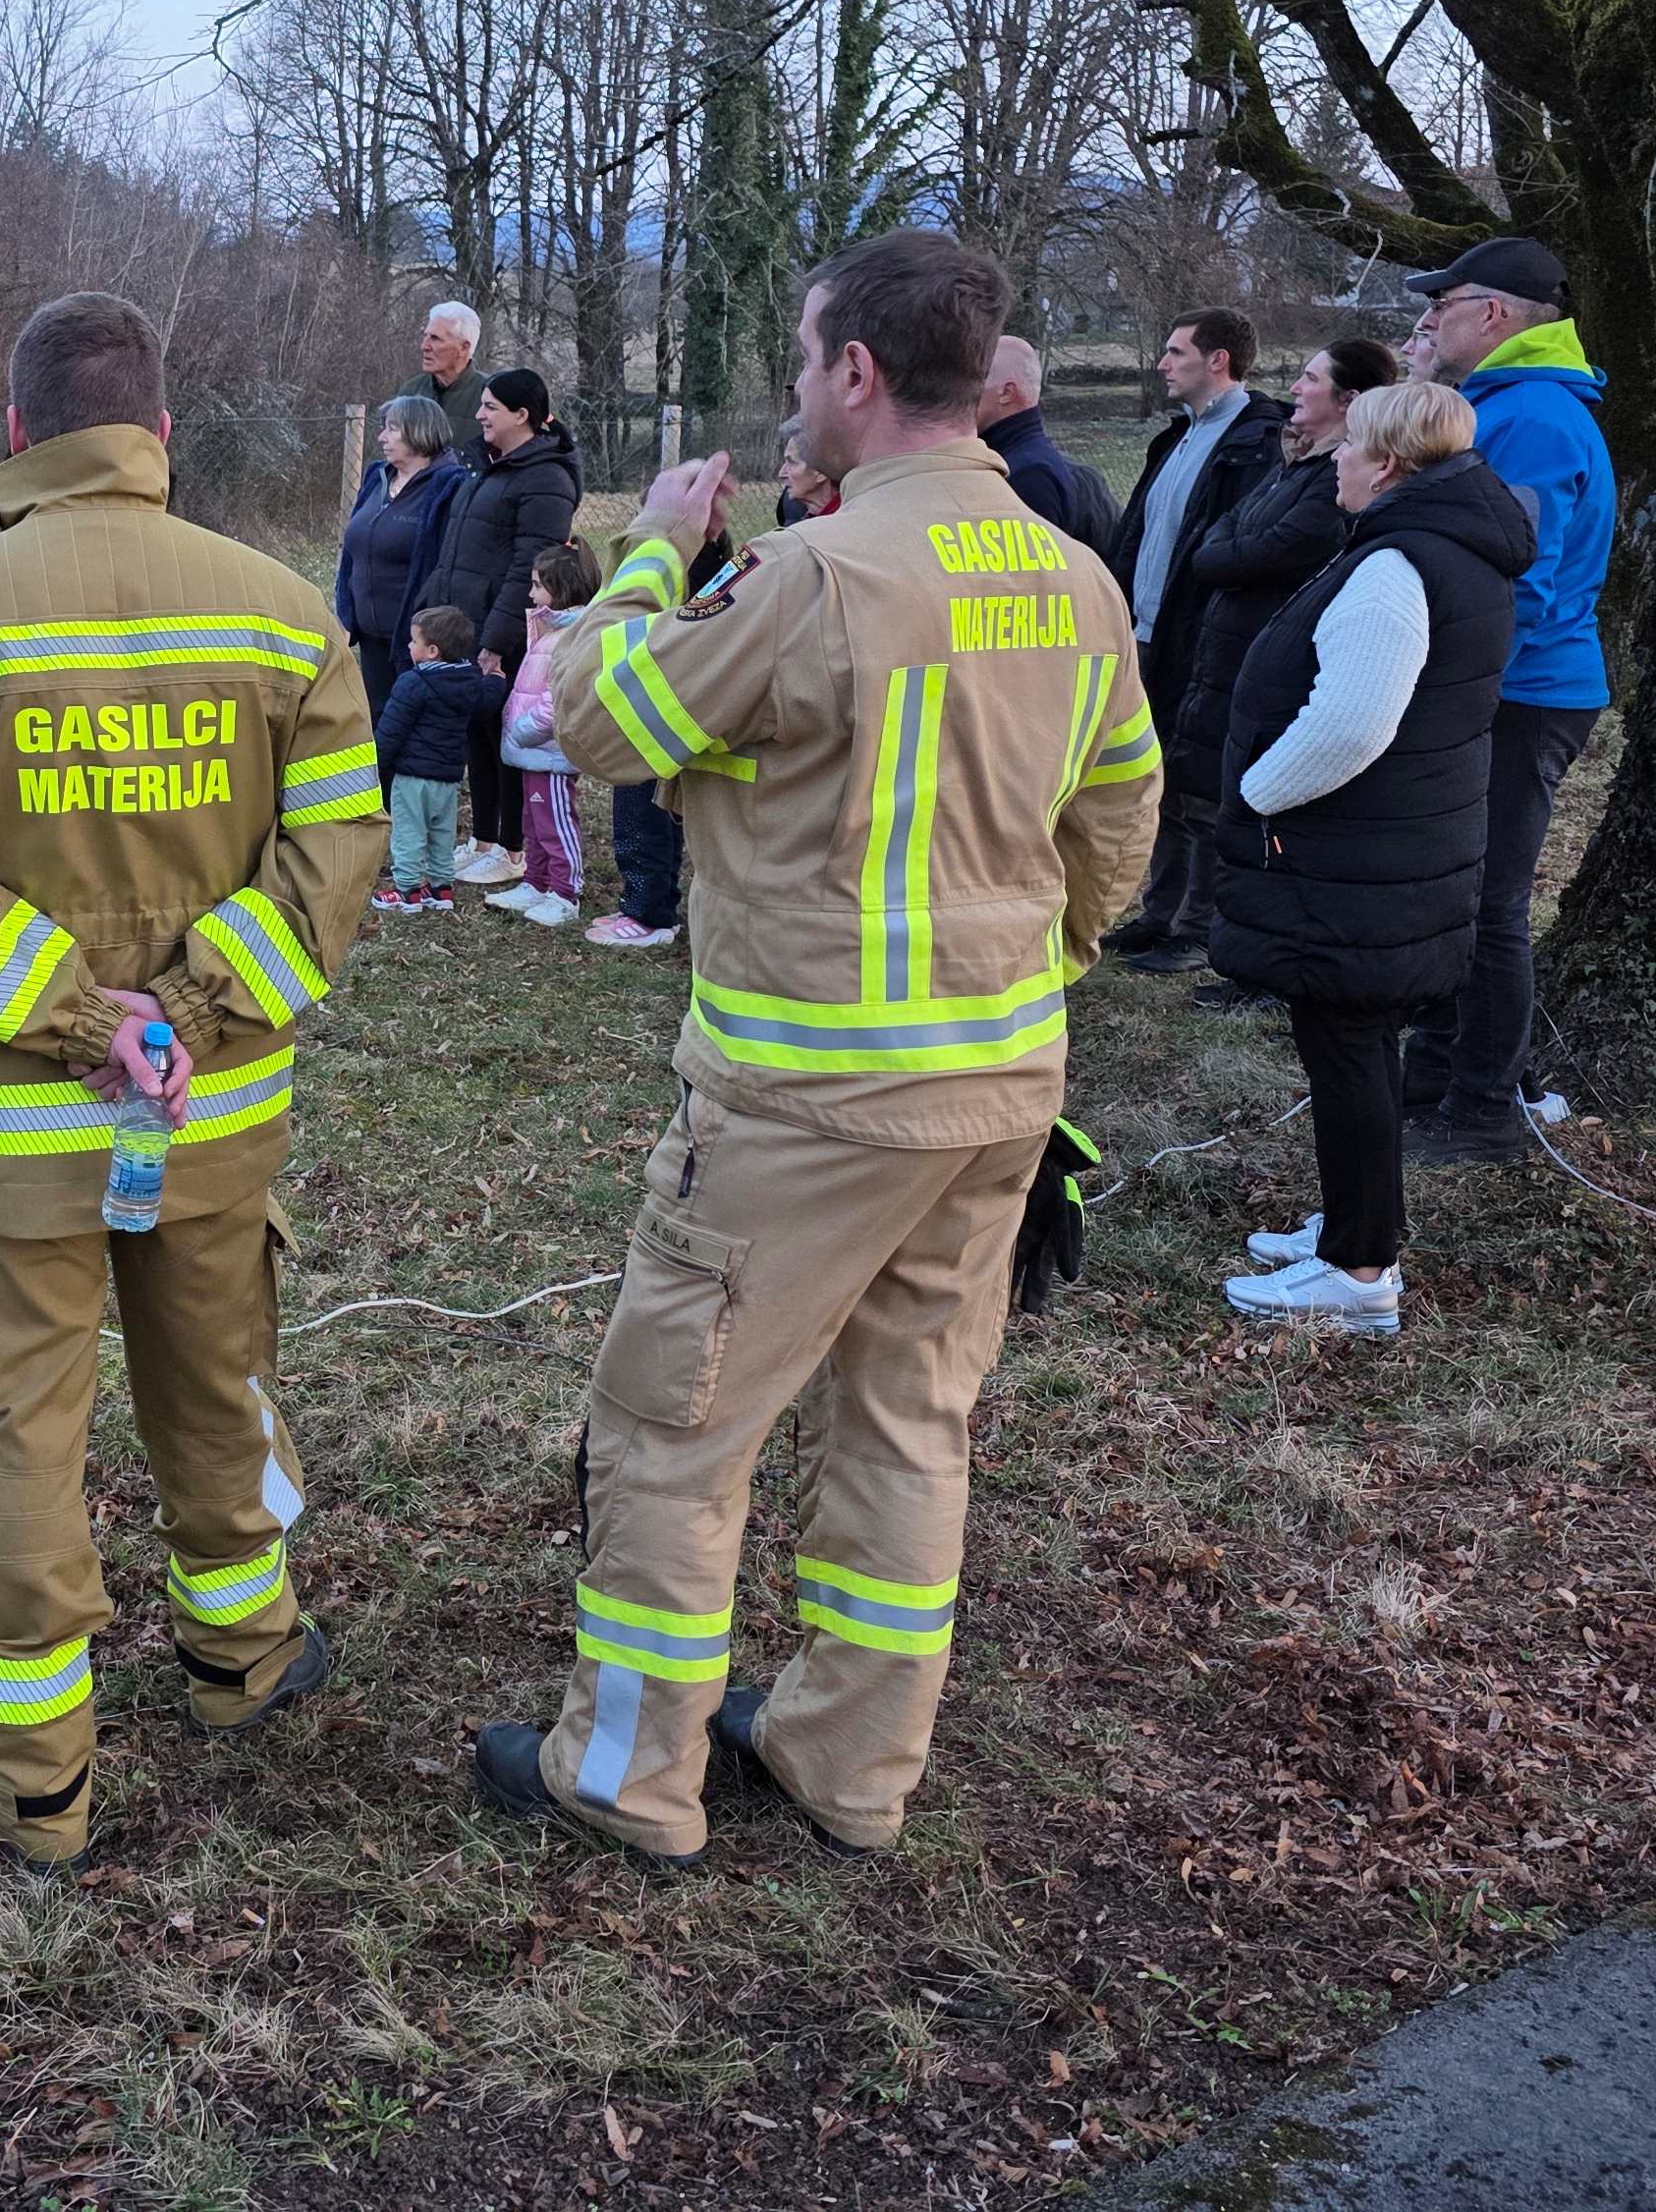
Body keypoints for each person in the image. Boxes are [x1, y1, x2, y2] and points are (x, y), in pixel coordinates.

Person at [469, 229, 1159, 1869]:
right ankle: (851, 1765)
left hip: (801, 1108)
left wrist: (652, 550)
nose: (796, 387)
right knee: (914, 1422)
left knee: (673, 1429)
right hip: (997, 1096)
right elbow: (1120, 819)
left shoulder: (815, 577)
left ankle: (625, 1778)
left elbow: (592, 719)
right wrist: (1032, 975)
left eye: (803, 360)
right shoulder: (1076, 578)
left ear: (857, 370)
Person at [0, 291, 383, 1869]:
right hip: (212, 1117)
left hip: (21, 1133)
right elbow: (338, 852)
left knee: (25, 1431)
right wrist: (186, 1015)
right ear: (159, 433)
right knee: (220, 1382)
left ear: (17, 432)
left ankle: (31, 1777)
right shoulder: (284, 615)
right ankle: (246, 1656)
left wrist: (81, 1019)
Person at [1211, 383, 1535, 1338]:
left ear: (1387, 463)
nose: (1335, 459)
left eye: (1349, 444)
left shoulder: (1397, 565)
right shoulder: (1450, 549)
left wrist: (1255, 793)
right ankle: (1359, 1224)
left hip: (1362, 860)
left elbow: (1350, 724)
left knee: (1347, 1044)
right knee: (1359, 1045)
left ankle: (1357, 1272)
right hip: (1396, 853)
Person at [1396, 237, 1617, 1163]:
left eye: (1441, 304)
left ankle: (1484, 1110)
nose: (1427, 321)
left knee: (1488, 906)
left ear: (1492, 313)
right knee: (1460, 896)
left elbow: (1519, 581)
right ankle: (1435, 1077)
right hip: (1507, 687)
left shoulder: (1528, 416)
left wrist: (1448, 696)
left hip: (1521, 694)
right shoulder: (1509, 404)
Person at [1171, 339, 1403, 1014]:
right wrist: (1225, 552)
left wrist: (1226, 555)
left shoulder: (1336, 485)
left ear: (1350, 400)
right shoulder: (1290, 465)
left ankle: (1267, 976)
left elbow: (1267, 550)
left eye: (1309, 378)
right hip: (1232, 662)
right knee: (1222, 814)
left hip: (1283, 677)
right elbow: (1217, 538)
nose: (1294, 388)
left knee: (1271, 828)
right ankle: (1228, 952)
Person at [1102, 308, 1289, 973]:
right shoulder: (1176, 437)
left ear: (1218, 360)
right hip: (1149, 635)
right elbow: (1140, 534)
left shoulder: (1259, 443)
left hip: (1208, 643)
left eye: (1176, 352)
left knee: (1203, 786)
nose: (1162, 363)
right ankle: (1159, 914)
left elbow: (1242, 547)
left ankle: (1198, 928)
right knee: (1162, 779)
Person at [595, 422, 820, 952]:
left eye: (793, 460)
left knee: (644, 793)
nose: (782, 471)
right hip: (690, 681)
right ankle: (647, 903)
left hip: (681, 685)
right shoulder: (781, 529)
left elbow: (612, 654)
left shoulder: (767, 548)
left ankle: (649, 909)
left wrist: (653, 541)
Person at [433, 368, 582, 885]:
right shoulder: (487, 466)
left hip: (508, 634)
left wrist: (496, 641)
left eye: (491, 407)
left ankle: (513, 848)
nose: (479, 415)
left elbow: (527, 569)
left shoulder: (547, 479)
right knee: (477, 733)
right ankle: (484, 839)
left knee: (506, 738)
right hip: (466, 625)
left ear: (522, 415)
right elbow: (458, 549)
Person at [332, 392, 468, 736]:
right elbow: (351, 551)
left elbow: (444, 565)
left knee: (413, 736)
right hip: (370, 638)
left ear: (419, 432)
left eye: (392, 429)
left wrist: (425, 631)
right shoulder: (376, 477)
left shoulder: (449, 486)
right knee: (377, 729)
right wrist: (346, 614)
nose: (382, 437)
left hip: (419, 644)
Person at [489, 540, 600, 928]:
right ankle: (536, 882)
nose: (531, 593)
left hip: (549, 751)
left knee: (555, 823)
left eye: (538, 585)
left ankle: (566, 893)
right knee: (534, 823)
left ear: (563, 587)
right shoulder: (550, 630)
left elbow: (557, 702)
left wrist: (523, 730)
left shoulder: (571, 636)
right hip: (533, 750)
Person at [375, 602, 503, 910]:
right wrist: (496, 680)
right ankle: (441, 887)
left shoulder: (412, 683)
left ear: (432, 651)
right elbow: (486, 702)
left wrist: (375, 764)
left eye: (413, 641)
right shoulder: (469, 682)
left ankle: (407, 889)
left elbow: (391, 730)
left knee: (409, 833)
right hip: (447, 779)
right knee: (442, 833)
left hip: (412, 777)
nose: (409, 646)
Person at [975, 335, 1120, 560]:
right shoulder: (1024, 460)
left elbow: (1028, 576)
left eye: (975, 380)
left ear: (1007, 393)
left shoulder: (1029, 476)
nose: (961, 392)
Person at [416, 299, 485, 430]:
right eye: (425, 336)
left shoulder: (490, 398)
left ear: (464, 347)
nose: (424, 346)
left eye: (435, 338)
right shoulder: (410, 392)